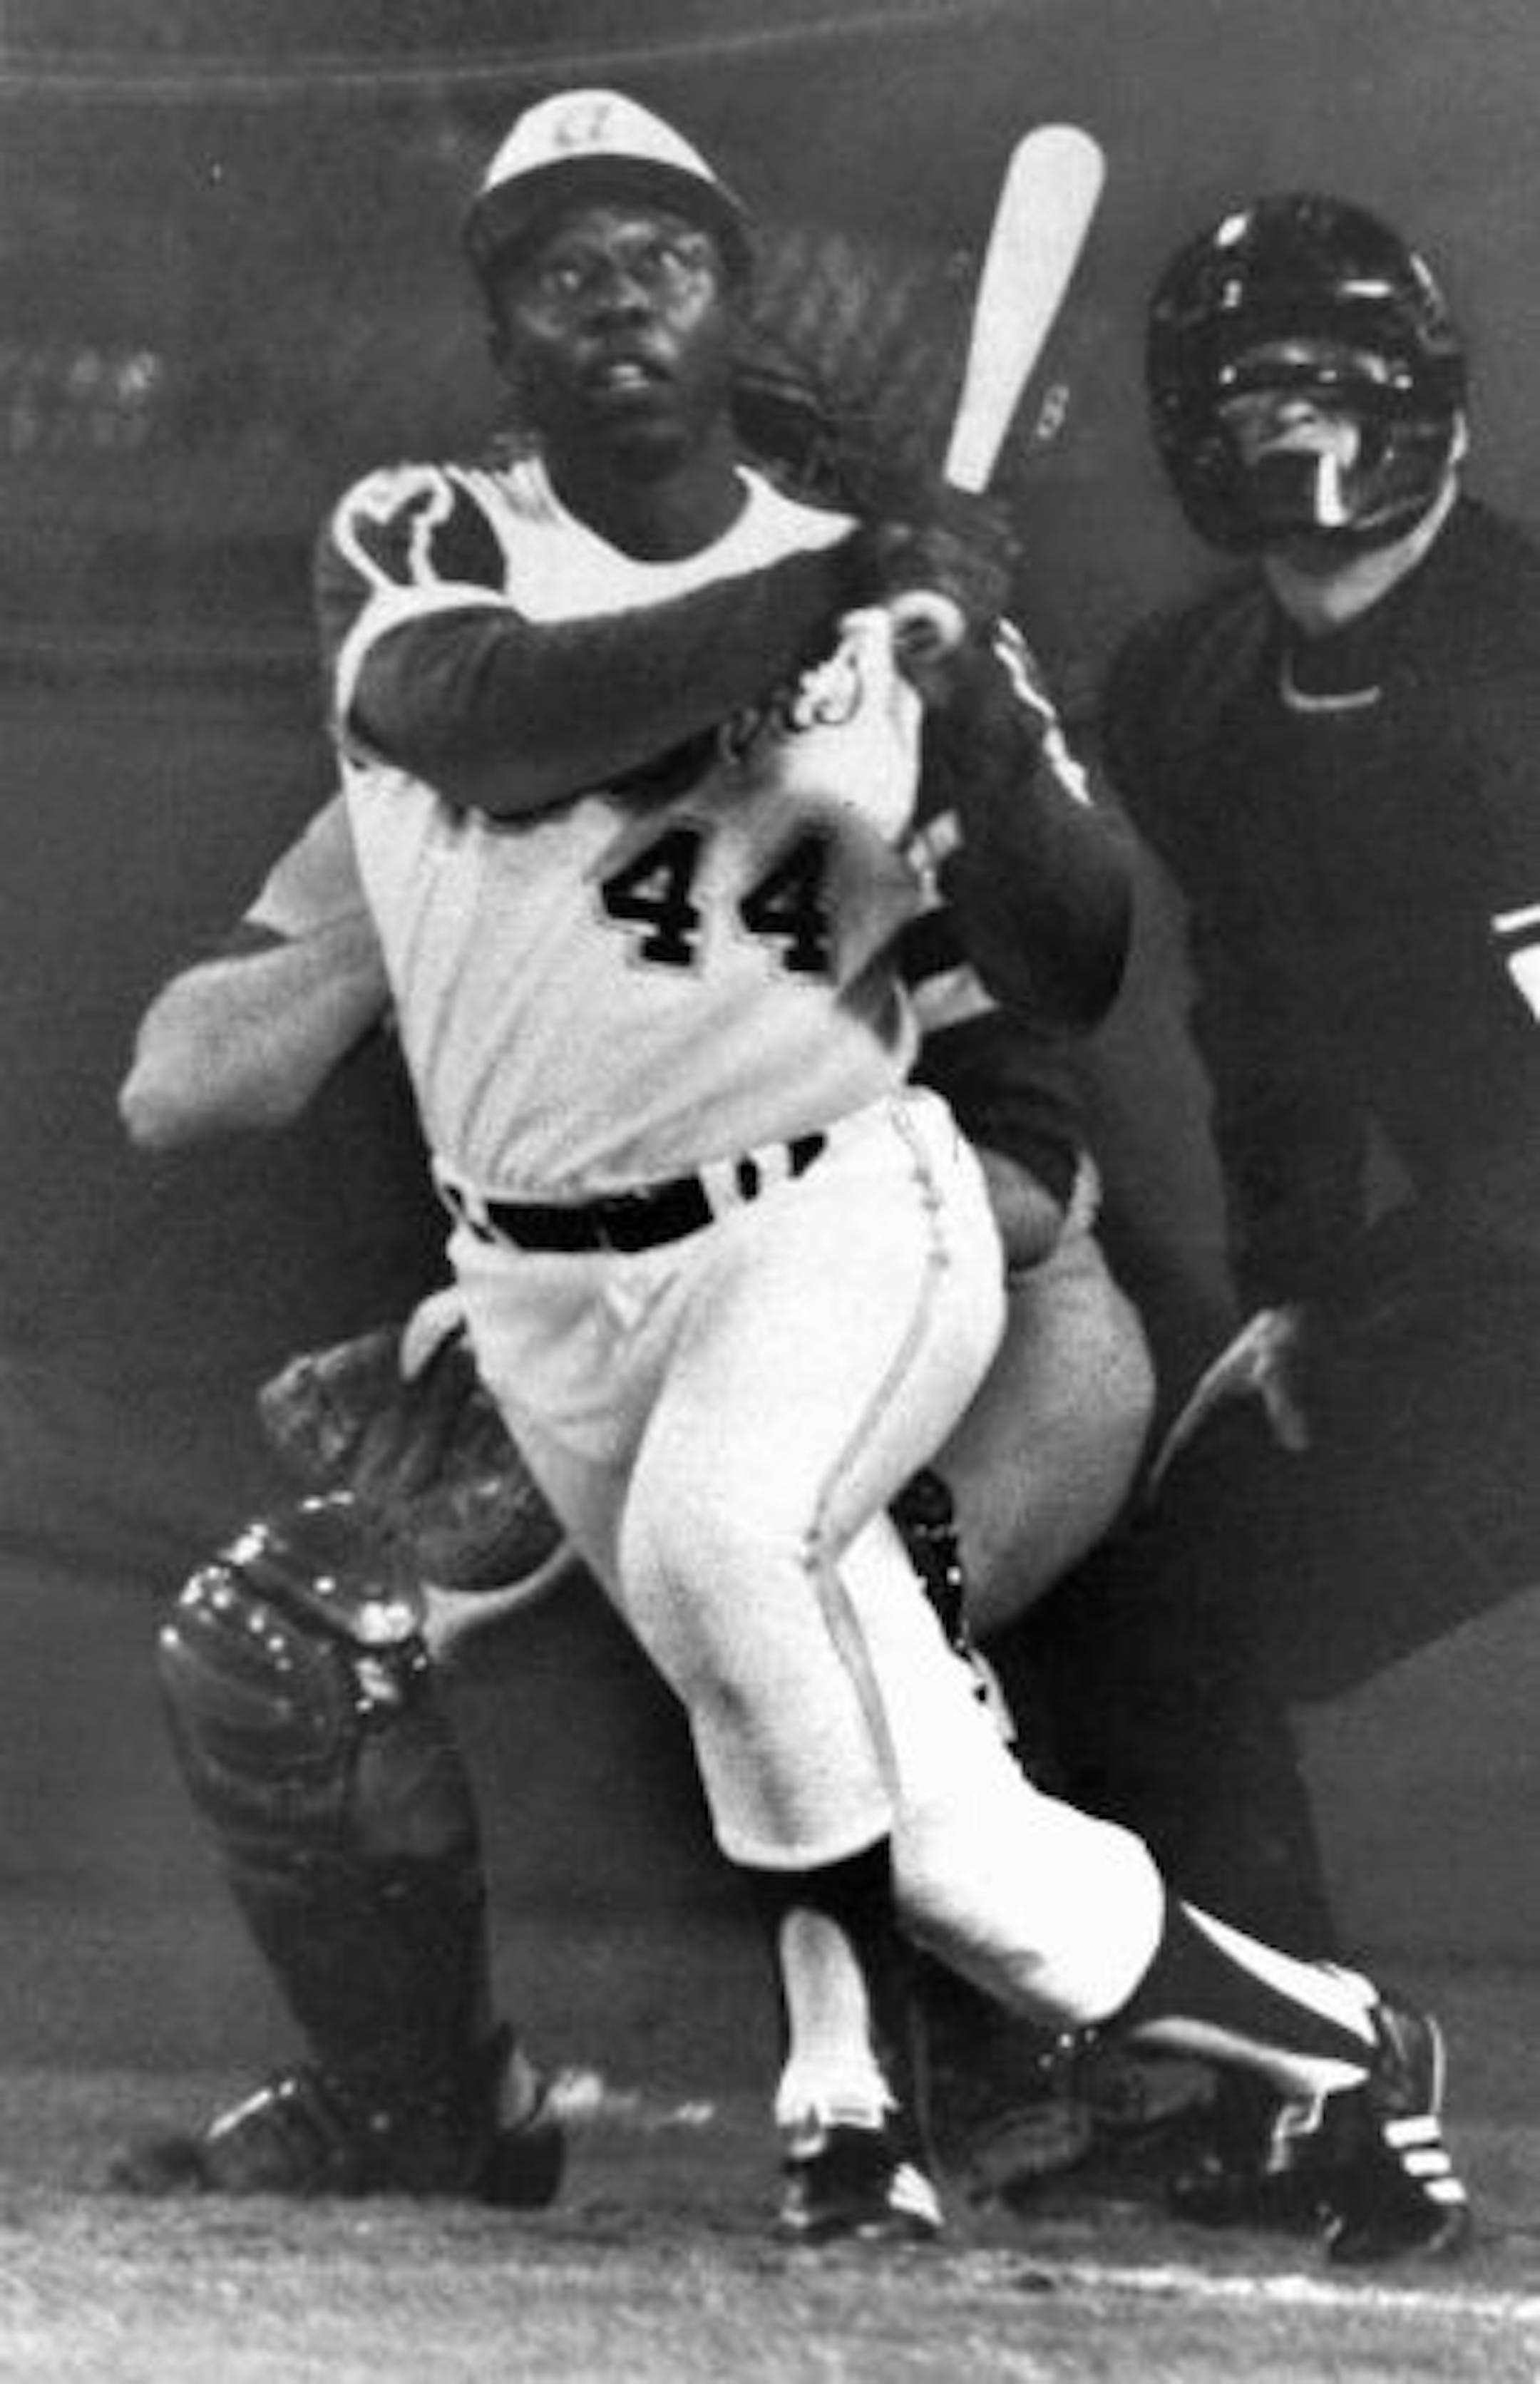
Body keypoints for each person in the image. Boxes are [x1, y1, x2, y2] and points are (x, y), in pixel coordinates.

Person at [131, 96, 1469, 2264]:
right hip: (564, 1289)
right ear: (508, 338)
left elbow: (1062, 1017)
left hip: (866, 1237)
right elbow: (425, 789)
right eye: (570, 270)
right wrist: (811, 603)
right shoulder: (438, 566)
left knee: (749, 1561)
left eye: (671, 266)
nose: (631, 316)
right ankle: (1327, 2041)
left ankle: (857, 2104)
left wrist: (981, 720)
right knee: (918, 1810)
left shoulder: (885, 668)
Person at [1049, 187, 1540, 2224]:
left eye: (1342, 387)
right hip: (1493, 1257)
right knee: (1168, 1607)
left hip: (1518, 1247)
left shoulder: (1523, 669)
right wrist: (1310, 1295)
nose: (1304, 434)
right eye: (1257, 393)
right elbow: (1258, 1010)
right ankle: (1312, 2075)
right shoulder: (1183, 691)